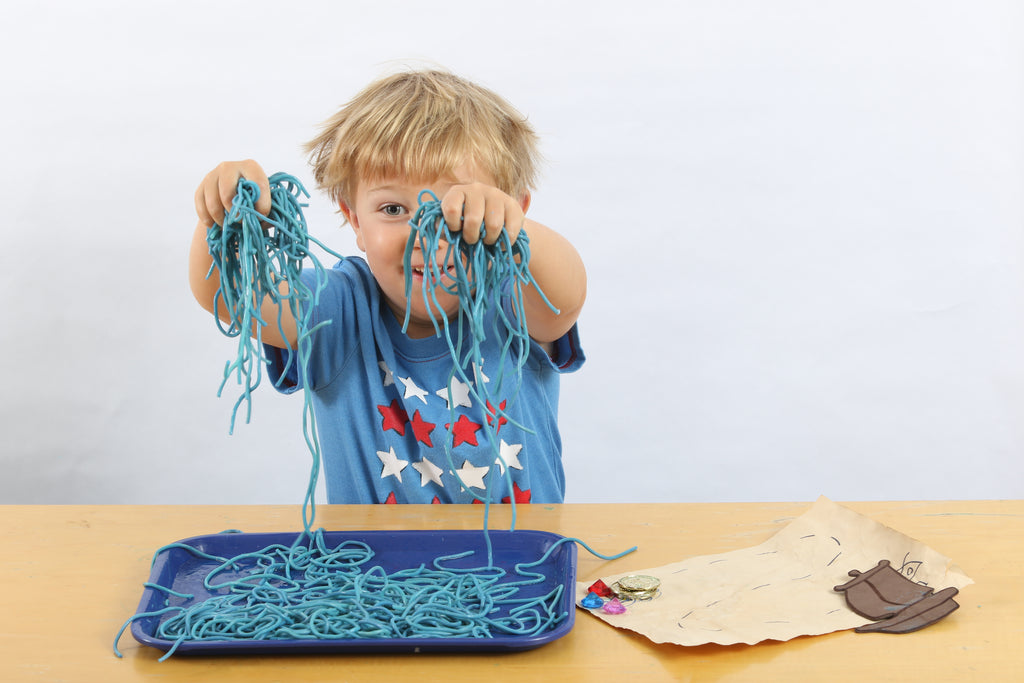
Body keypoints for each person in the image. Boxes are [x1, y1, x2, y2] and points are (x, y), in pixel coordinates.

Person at [189, 69, 586, 504]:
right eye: (393, 208)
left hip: (522, 564)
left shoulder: (515, 299)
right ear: (355, 221)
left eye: (460, 209)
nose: (424, 234)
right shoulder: (338, 309)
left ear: (513, 213)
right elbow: (228, 297)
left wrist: (514, 232)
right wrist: (224, 218)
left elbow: (564, 301)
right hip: (369, 569)